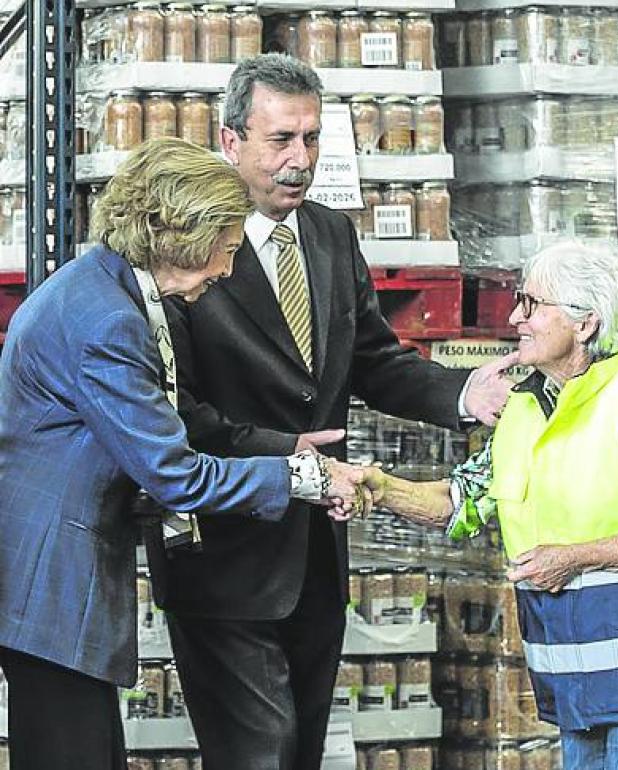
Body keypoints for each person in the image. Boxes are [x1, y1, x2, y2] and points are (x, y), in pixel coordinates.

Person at [145, 55, 515, 770]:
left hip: (316, 552)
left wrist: (463, 393)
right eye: (281, 139)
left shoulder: (328, 235)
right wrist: (294, 458)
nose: (300, 160)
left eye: (312, 139)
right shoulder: (183, 245)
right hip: (226, 555)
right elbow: (177, 409)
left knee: (300, 752)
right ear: (229, 142)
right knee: (260, 753)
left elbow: (372, 360)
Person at [0, 138, 367, 770]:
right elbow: (174, 474)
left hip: (48, 574)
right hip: (51, 583)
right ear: (182, 237)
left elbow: (157, 423)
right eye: (226, 250)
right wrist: (301, 476)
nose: (227, 270)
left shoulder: (107, 288)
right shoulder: (106, 321)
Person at [362, 242, 618, 770]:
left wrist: (573, 557)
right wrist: (380, 487)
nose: (516, 317)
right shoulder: (526, 410)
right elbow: (459, 500)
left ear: (585, 323)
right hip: (572, 672)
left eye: (532, 304)